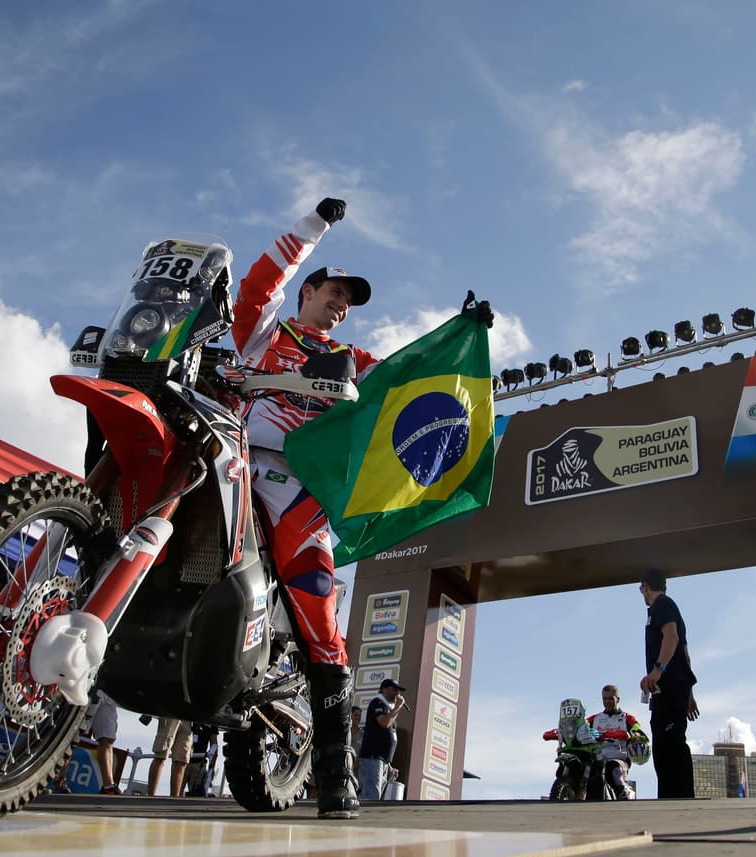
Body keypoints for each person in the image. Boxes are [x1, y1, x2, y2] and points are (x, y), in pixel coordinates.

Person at [231, 197, 492, 818]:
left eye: (350, 298)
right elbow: (260, 280)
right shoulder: (263, 330)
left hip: (295, 490)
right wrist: (313, 227)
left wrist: (461, 339)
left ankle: (335, 777)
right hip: (234, 461)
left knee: (321, 616)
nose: (342, 303)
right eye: (336, 290)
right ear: (310, 290)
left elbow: (407, 378)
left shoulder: (353, 361)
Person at [638, 568, 699, 799]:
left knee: (670, 746)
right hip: (676, 689)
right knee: (666, 743)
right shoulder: (665, 607)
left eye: (640, 589)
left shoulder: (662, 604)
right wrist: (689, 695)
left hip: (670, 687)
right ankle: (673, 796)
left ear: (645, 586)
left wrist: (657, 670)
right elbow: (685, 654)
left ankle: (678, 798)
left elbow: (672, 637)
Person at [586, 684, 646, 800]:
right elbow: (580, 727)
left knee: (611, 768)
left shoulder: (627, 718)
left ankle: (623, 793)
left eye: (610, 698)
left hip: (619, 759)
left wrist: (632, 735)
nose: (607, 701)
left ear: (617, 699)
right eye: (605, 698)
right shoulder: (594, 718)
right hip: (597, 757)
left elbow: (639, 732)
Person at [358, 679, 407, 801]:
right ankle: (366, 818)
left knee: (377, 794)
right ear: (384, 689)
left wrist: (389, 763)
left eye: (398, 690)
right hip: (373, 756)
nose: (397, 693)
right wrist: (397, 707)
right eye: (394, 689)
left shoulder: (388, 708)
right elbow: (384, 723)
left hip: (382, 760)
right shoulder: (378, 703)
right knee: (371, 794)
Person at [147, 717, 194, 797]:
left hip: (188, 718)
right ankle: (151, 796)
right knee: (161, 755)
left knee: (182, 760)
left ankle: (174, 798)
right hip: (170, 714)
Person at [87, 688, 120, 795]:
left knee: (107, 738)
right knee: (74, 733)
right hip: (89, 684)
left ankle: (108, 785)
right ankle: (59, 779)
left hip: (110, 690)